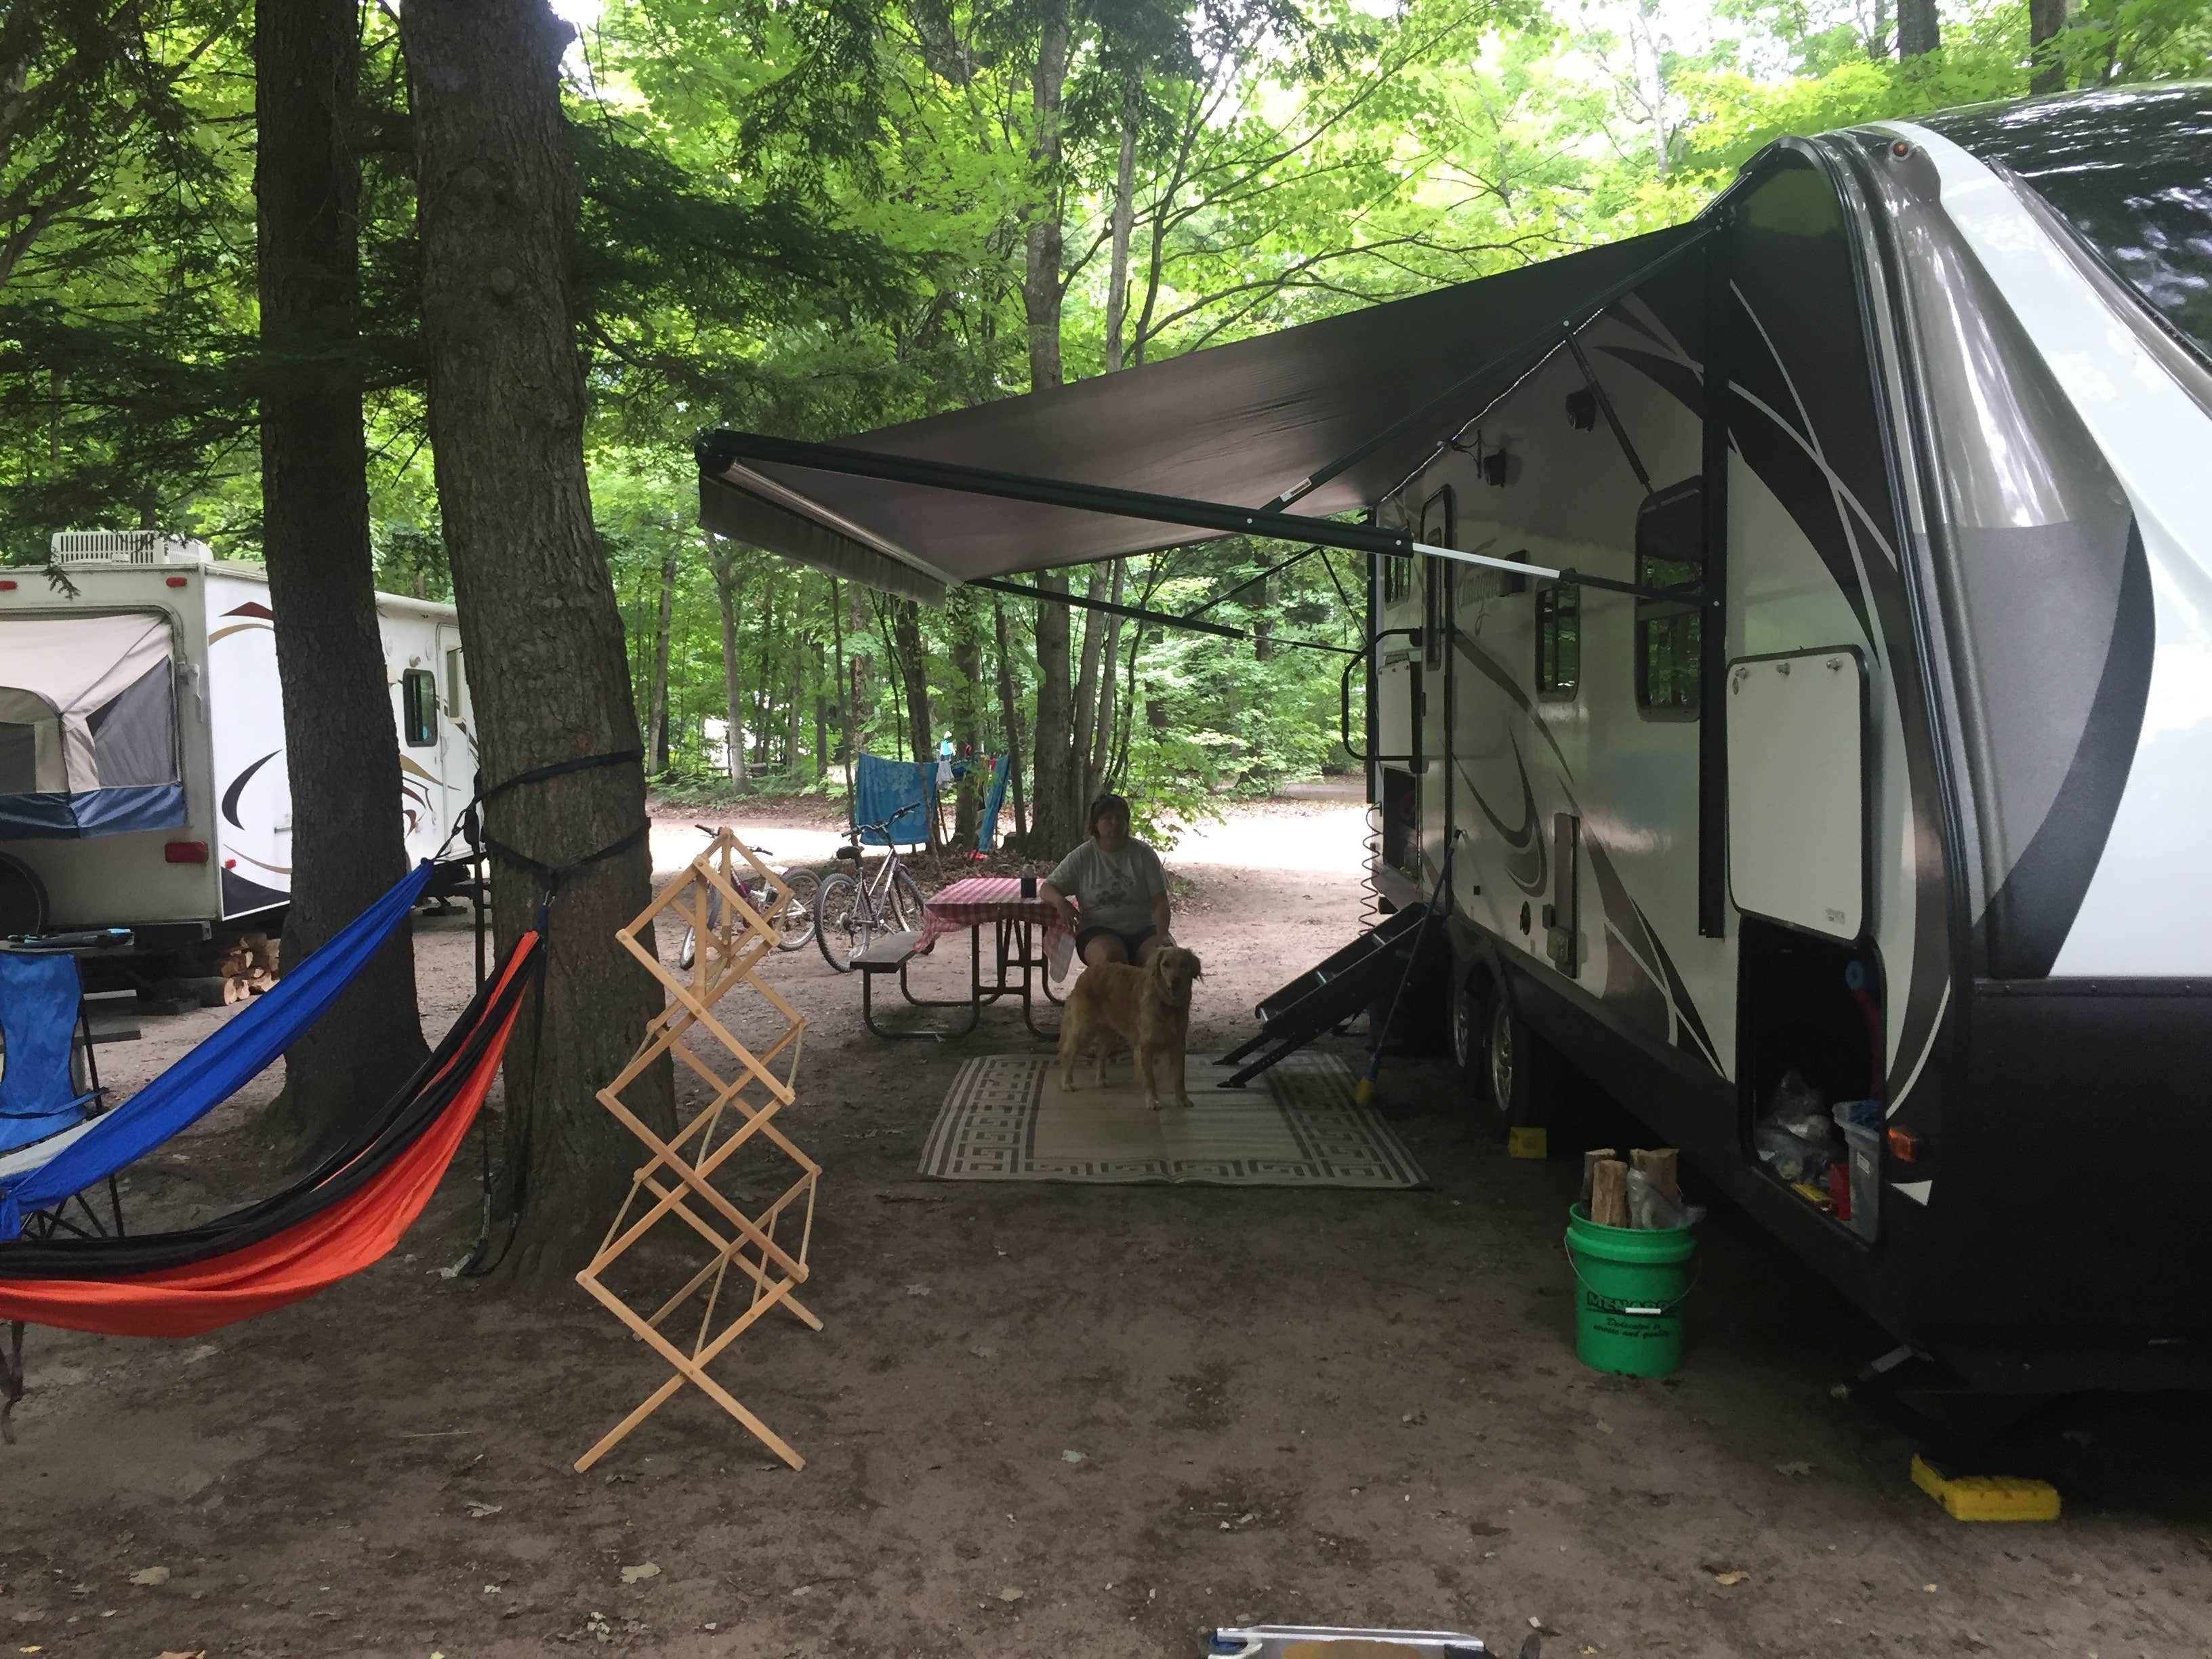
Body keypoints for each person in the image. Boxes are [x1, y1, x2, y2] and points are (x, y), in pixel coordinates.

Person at [1039, 793, 1174, 968]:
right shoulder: (1082, 856)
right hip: (1097, 930)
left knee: (1166, 962)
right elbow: (1047, 888)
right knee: (1111, 958)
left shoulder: (1143, 854)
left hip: (1144, 929)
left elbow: (1160, 901)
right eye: (1107, 818)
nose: (1115, 824)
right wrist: (1060, 902)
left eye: (1120, 818)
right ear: (1096, 824)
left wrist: (1162, 934)